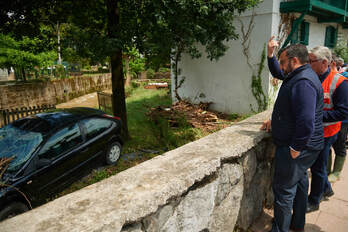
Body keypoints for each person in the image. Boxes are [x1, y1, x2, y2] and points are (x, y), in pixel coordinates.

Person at [262, 36, 324, 232]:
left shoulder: (303, 82)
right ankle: (297, 225)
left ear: (294, 61)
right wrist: (271, 55)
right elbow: (279, 73)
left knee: (284, 191)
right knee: (299, 184)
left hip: (297, 147)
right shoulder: (300, 74)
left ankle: (280, 229)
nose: (281, 67)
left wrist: (296, 148)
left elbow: (306, 120)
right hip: (305, 147)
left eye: (283, 62)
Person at [306, 46, 348, 213]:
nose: (308, 64)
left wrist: (315, 115)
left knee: (317, 167)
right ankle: (327, 188)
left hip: (327, 132)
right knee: (320, 165)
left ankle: (315, 200)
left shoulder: (340, 83)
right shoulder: (314, 76)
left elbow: (343, 112)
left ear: (324, 63)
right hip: (316, 131)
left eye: (311, 61)